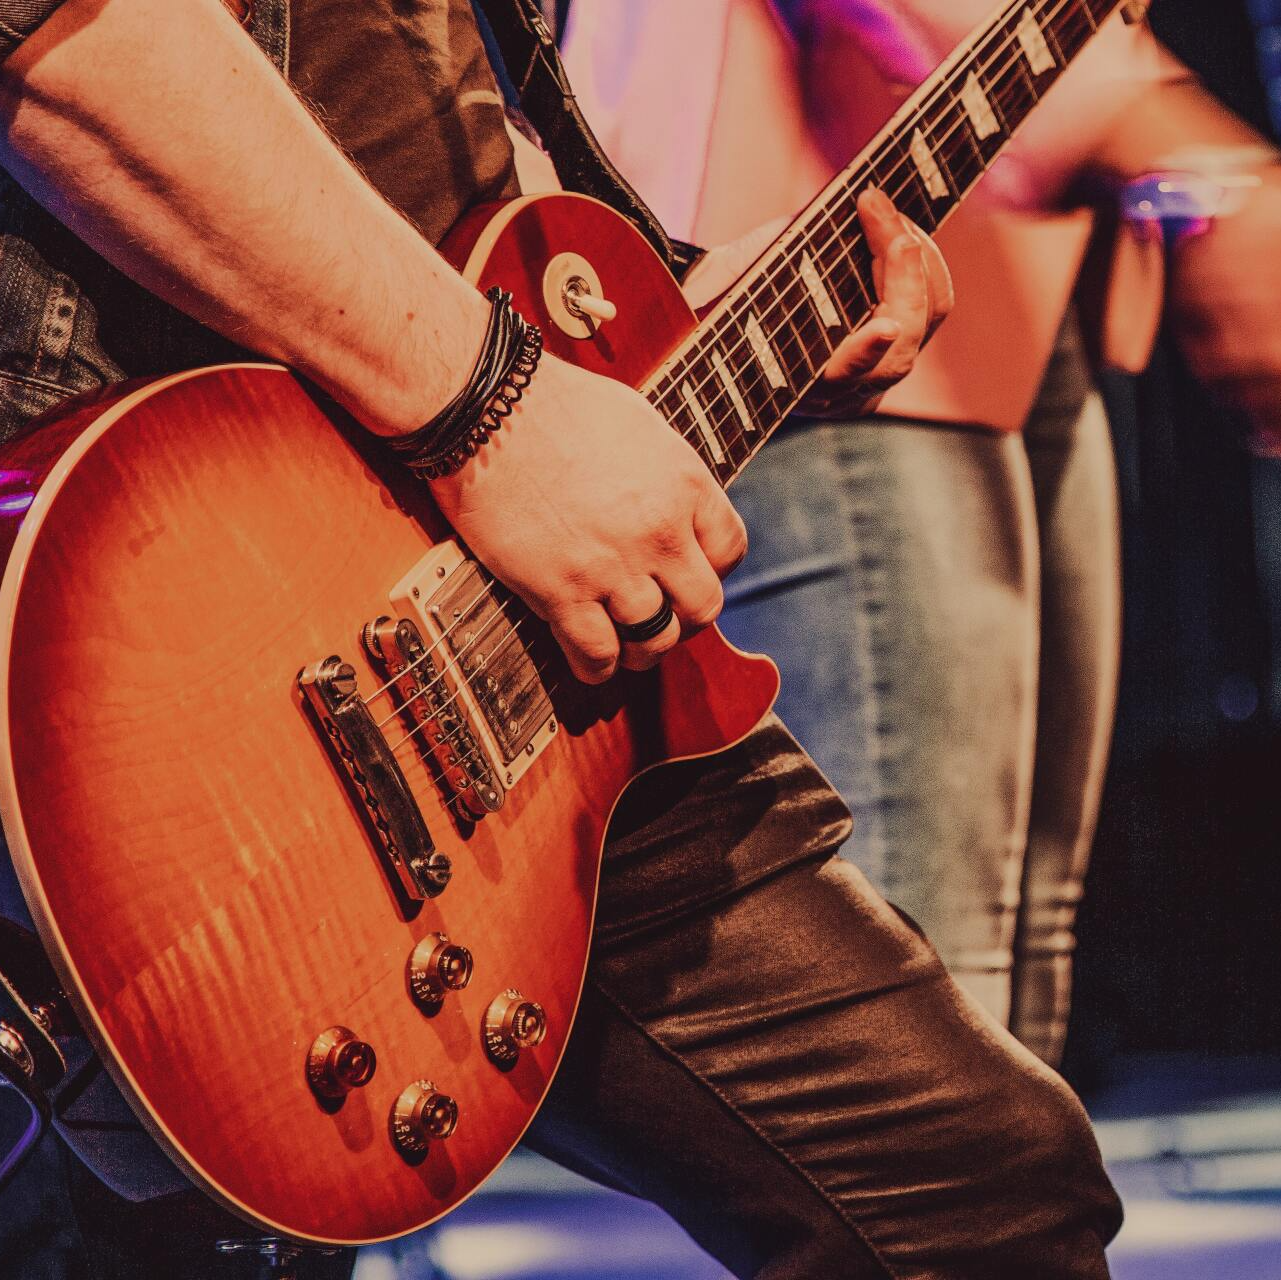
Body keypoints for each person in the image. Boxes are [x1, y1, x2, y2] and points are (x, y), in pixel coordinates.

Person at [0, 2, 1119, 1277]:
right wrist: (490, 407)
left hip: (464, 610)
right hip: (166, 594)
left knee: (980, 1187)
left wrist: (656, 327)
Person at [563, 0, 1281, 1068]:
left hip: (1014, 246)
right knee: (924, 983)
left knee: (1013, 980)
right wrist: (1170, 148)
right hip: (813, 248)